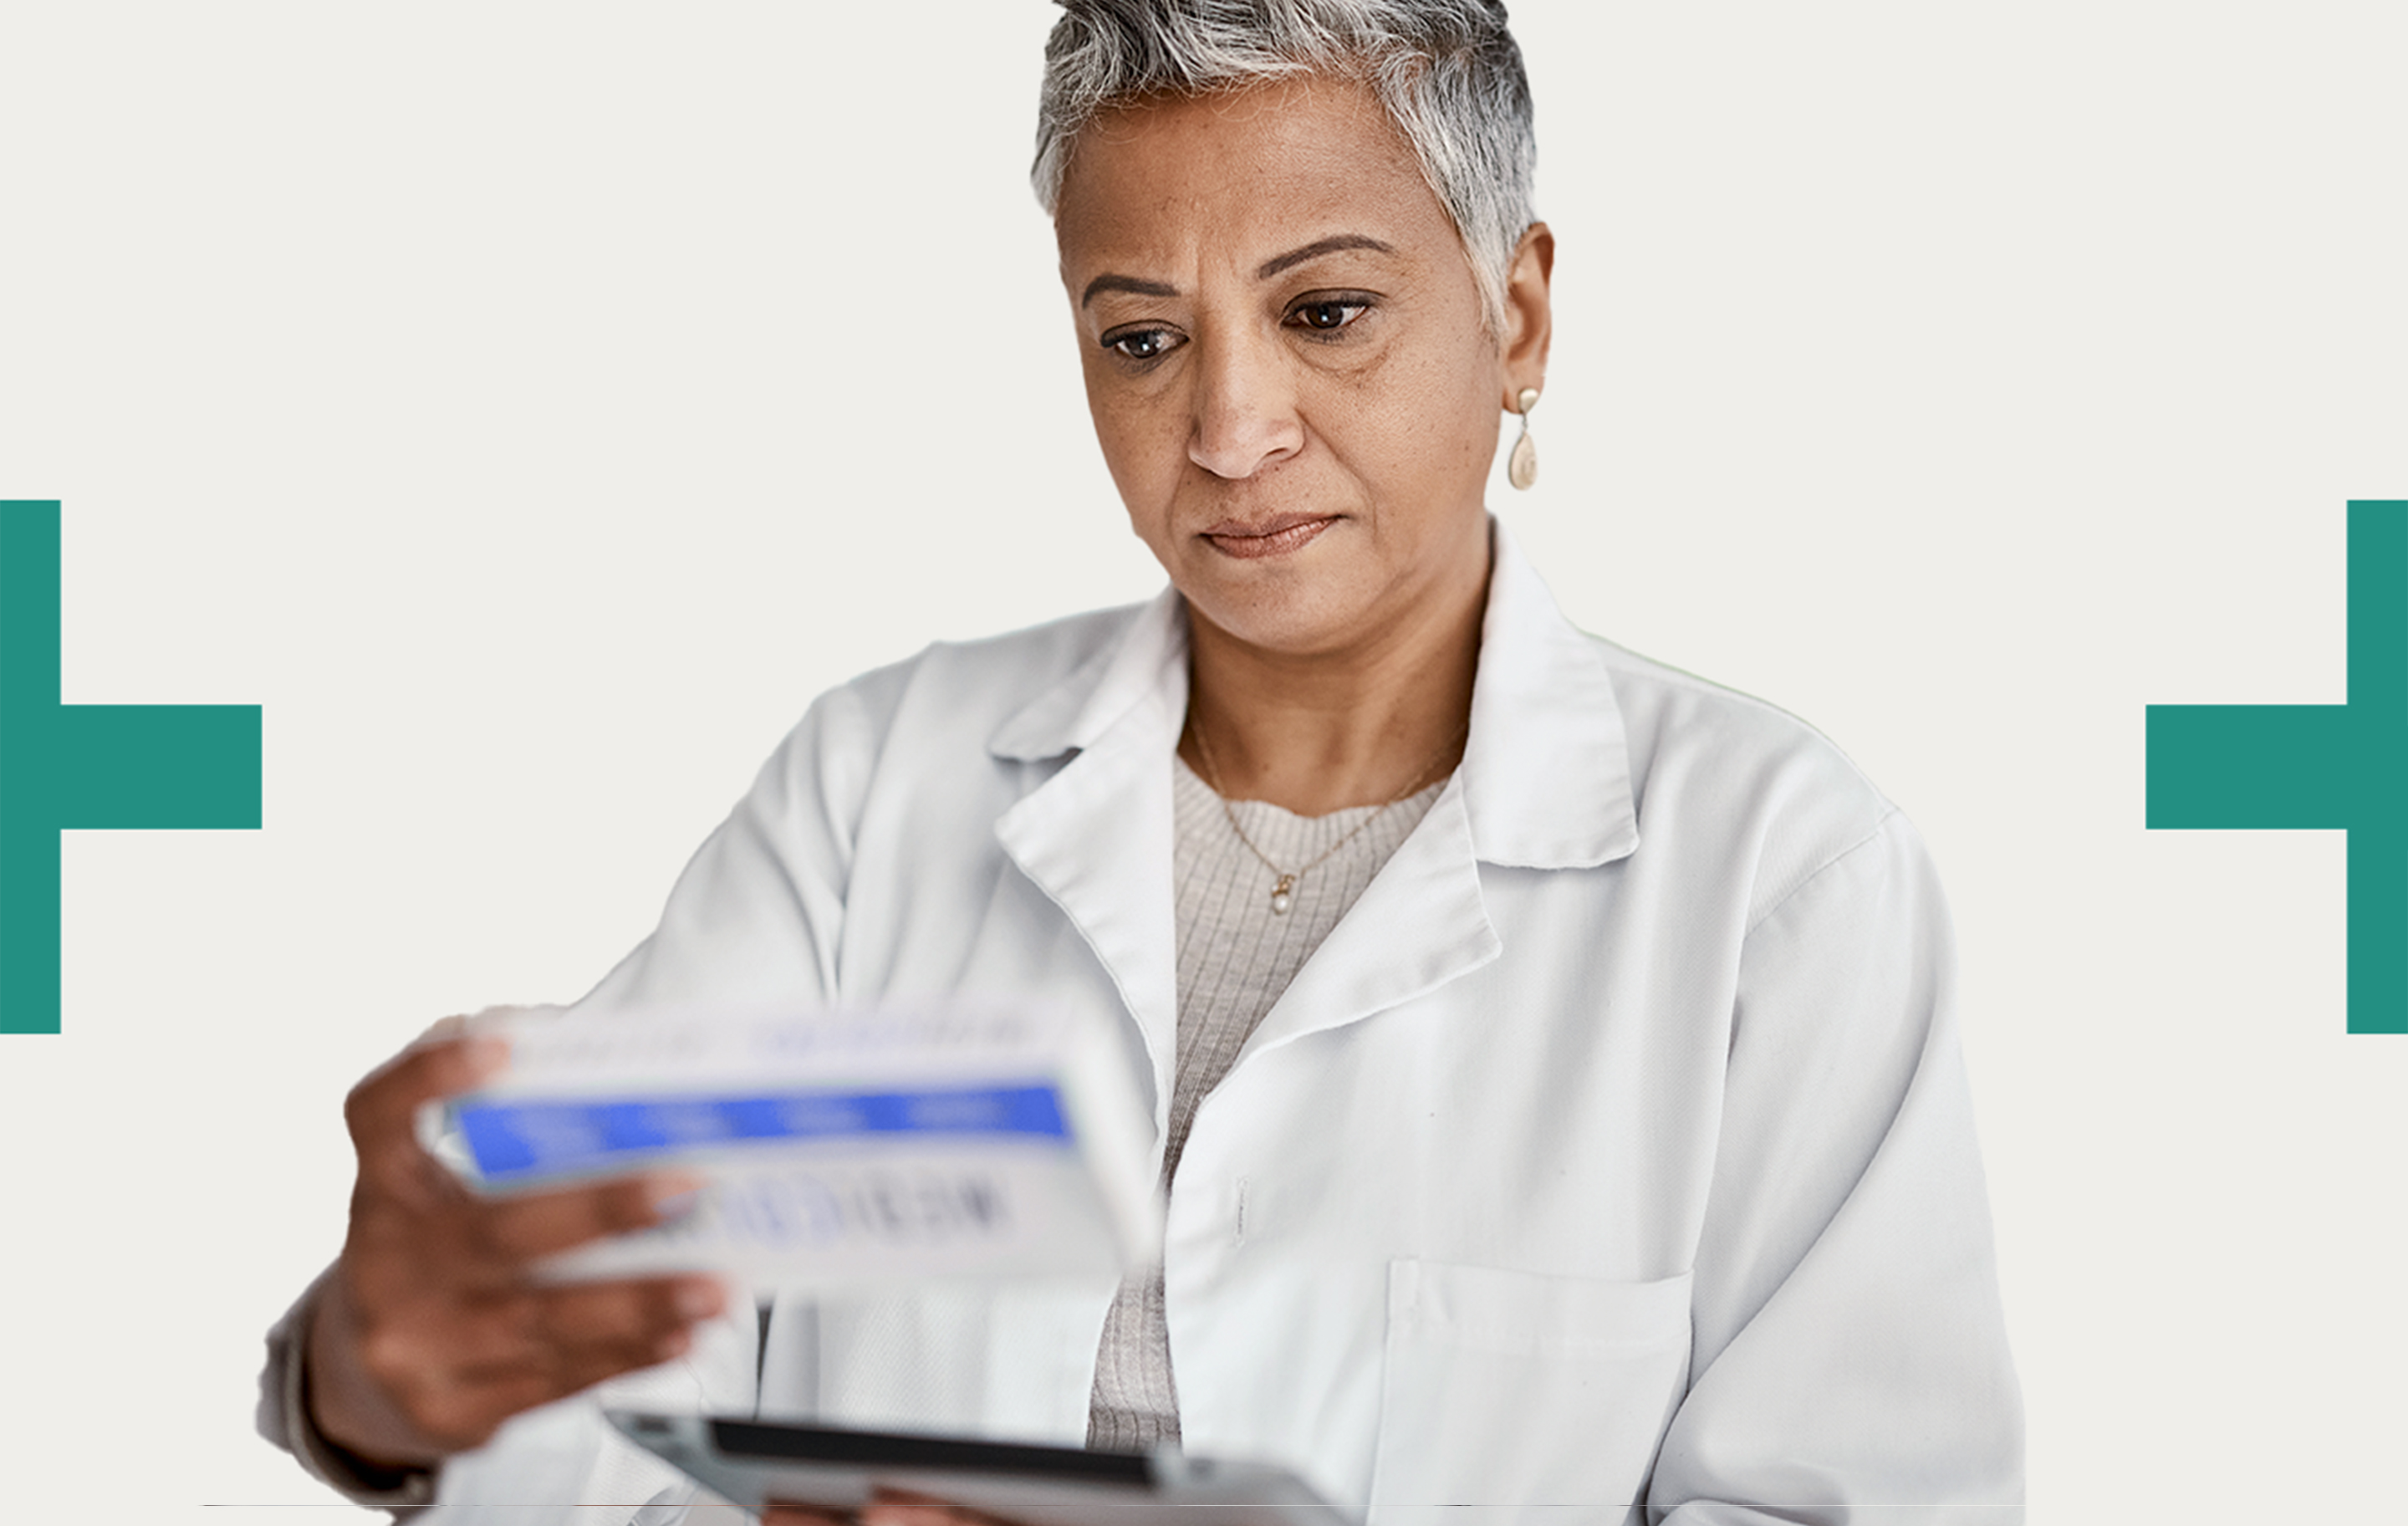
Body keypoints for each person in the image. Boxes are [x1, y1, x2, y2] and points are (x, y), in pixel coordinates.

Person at [259, 1, 2023, 1520]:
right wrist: (383, 1383)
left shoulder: (1781, 881)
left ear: (1521, 318)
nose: (1232, 430)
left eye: (1326, 311)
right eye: (1141, 336)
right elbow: (565, 1389)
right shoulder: (880, 794)